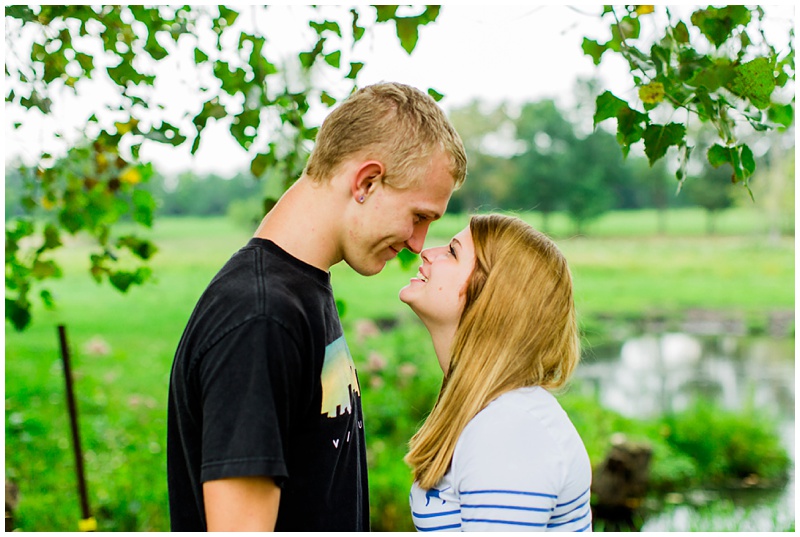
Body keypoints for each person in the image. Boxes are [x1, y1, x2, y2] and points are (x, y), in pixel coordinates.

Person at [167, 82, 467, 531]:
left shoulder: (303, 293)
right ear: (366, 182)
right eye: (419, 216)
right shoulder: (261, 317)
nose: (417, 243)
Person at [399, 214, 592, 532]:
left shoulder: (510, 430)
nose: (427, 252)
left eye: (452, 251)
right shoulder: (490, 413)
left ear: (493, 296)